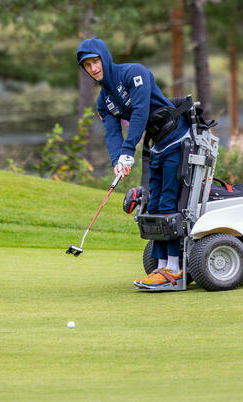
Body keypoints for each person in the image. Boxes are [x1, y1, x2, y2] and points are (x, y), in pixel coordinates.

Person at [76, 37, 191, 290]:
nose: (94, 68)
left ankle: (173, 268)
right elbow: (112, 133)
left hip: (177, 136)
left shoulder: (134, 73)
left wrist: (129, 150)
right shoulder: (103, 101)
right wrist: (118, 160)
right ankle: (161, 265)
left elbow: (140, 110)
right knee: (154, 202)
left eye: (96, 62)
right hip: (157, 145)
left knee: (169, 200)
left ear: (104, 58)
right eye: (88, 65)